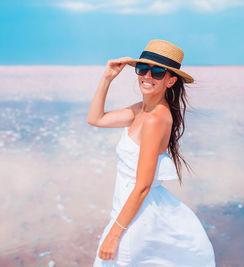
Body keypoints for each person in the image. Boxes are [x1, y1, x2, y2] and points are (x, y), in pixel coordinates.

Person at [87, 40, 216, 266]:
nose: (148, 76)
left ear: (171, 80)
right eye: (142, 69)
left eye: (157, 72)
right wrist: (107, 77)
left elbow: (143, 185)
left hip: (136, 218)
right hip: (127, 210)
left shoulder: (156, 118)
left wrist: (114, 234)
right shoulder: (140, 110)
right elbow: (95, 119)